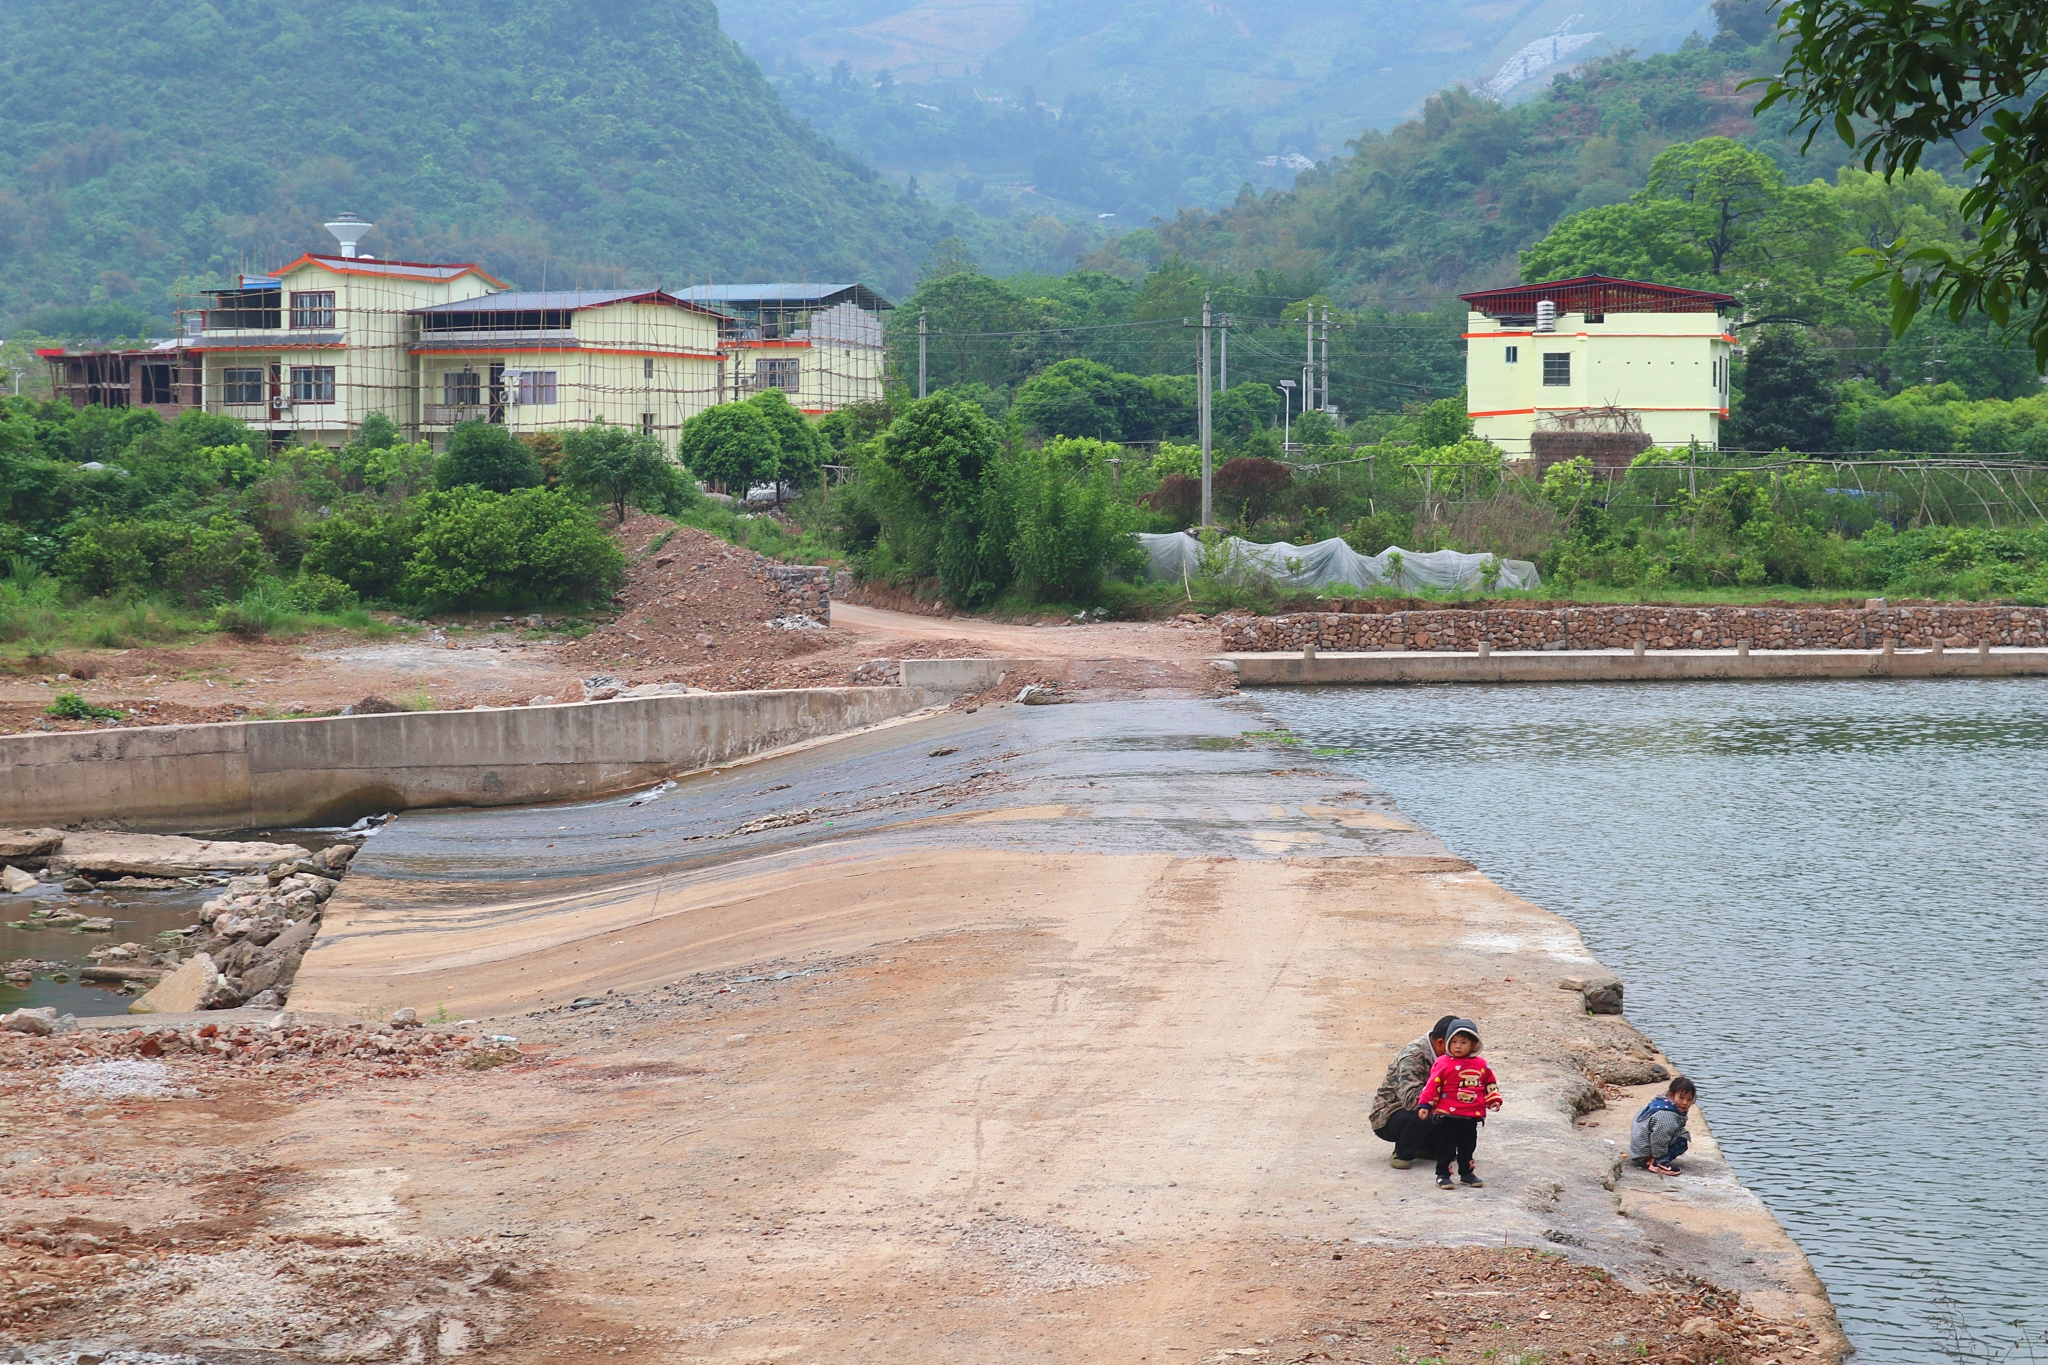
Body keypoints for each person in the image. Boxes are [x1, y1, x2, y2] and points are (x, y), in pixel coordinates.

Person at [1414, 1018, 1502, 1190]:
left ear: (1473, 1043)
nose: (1458, 1046)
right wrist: (1425, 1105)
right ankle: (1442, 1175)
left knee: (1468, 1145)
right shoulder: (1442, 1063)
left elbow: (1489, 1084)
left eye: (1463, 1042)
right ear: (1447, 1042)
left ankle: (1466, 1173)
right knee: (1446, 1146)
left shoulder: (1481, 1065)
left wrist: (1494, 1101)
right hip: (1447, 1115)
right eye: (1453, 1042)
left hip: (1470, 1115)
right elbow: (1432, 1085)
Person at [1371, 1015, 1456, 1168]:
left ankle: (1427, 1147)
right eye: (1454, 1044)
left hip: (1422, 1108)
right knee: (1426, 1110)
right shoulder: (1413, 1056)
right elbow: (1411, 1101)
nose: (1459, 1049)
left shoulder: (1450, 1059)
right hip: (1389, 1115)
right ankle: (1402, 1153)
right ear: (1441, 1043)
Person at [1630, 1076, 1697, 1175]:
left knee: (1678, 1134)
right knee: (1682, 1142)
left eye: (1689, 1099)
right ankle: (1658, 1164)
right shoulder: (1667, 1115)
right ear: (1671, 1096)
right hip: (1643, 1153)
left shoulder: (1660, 1104)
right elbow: (1659, 1139)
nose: (1685, 1103)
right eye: (1681, 1098)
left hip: (1638, 1150)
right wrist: (1660, 1157)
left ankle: (1653, 1159)